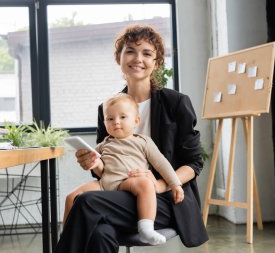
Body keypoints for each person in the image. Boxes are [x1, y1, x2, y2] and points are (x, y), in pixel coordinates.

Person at [56, 24, 208, 253]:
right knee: (100, 232)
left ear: (156, 63)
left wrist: (157, 185)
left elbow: (194, 163)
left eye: (147, 53)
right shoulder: (107, 108)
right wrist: (93, 163)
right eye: (130, 51)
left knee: (86, 203)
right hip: (117, 193)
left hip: (166, 198)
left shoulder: (176, 103)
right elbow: (105, 168)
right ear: (119, 58)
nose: (138, 58)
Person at [62, 93, 184, 245]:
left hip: (128, 181)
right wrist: (95, 163)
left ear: (136, 121)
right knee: (71, 197)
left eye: (123, 117)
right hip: (105, 183)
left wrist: (175, 184)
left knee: (145, 184)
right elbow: (101, 170)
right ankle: (66, 235)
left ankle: (146, 228)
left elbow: (162, 163)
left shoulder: (143, 142)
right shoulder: (103, 144)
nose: (116, 122)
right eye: (110, 118)